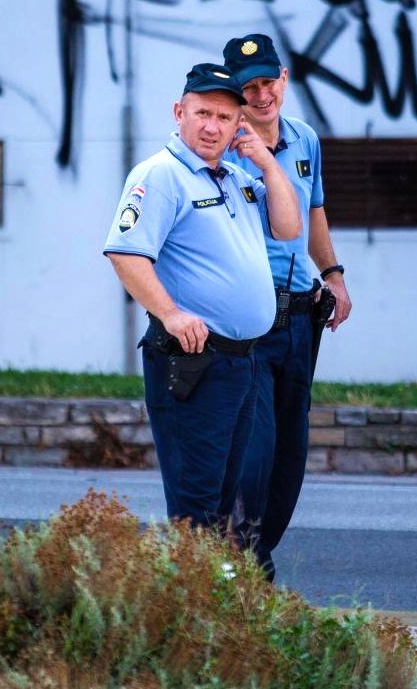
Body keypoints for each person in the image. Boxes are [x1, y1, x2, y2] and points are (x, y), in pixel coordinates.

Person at [102, 62, 301, 531]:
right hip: (195, 362)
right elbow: (125, 253)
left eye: (225, 118)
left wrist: (267, 162)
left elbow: (289, 226)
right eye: (202, 113)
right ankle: (186, 600)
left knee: (222, 499)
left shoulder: (234, 178)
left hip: (242, 362)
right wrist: (169, 313)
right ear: (179, 112)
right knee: (197, 503)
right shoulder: (160, 174)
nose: (212, 127)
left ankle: (208, 598)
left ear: (239, 126)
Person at [221, 33, 353, 579]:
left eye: (267, 82)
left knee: (290, 453)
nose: (261, 95)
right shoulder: (226, 149)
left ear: (284, 80)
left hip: (302, 314)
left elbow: (314, 212)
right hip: (253, 318)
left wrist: (335, 275)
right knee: (256, 447)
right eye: (248, 87)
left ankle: (257, 556)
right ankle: (244, 562)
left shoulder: (304, 140)